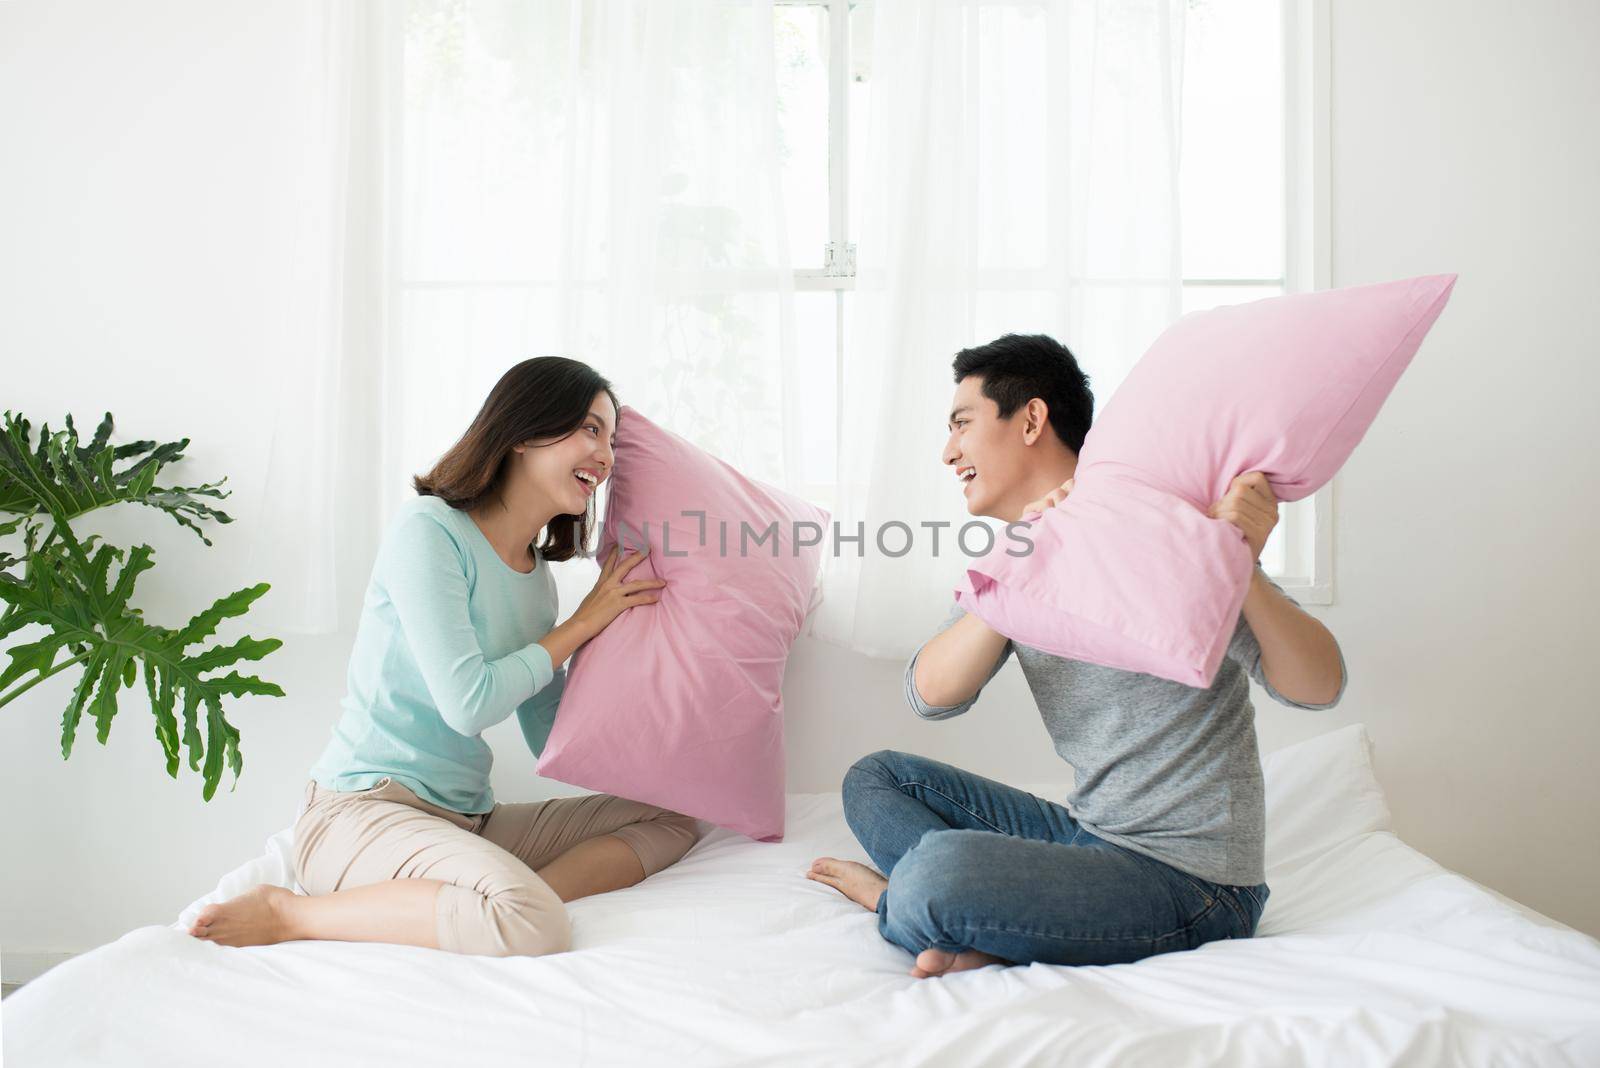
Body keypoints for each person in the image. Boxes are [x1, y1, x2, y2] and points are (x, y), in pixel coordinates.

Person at [808, 334, 1346, 979]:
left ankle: (907, 903)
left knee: (938, 871)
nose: (948, 452)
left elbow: (1318, 687)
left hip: (1192, 883)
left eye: (962, 424)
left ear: (1031, 419)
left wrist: (1242, 563)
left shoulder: (1159, 534)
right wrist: (1028, 559)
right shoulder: (1016, 558)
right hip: (1090, 839)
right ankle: (979, 913)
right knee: (878, 777)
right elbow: (931, 696)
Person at [189, 357, 700, 956]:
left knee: (673, 820)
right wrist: (584, 624)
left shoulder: (537, 584)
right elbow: (467, 703)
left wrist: (653, 694)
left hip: (467, 821)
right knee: (535, 924)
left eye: (611, 440)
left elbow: (549, 740)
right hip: (362, 814)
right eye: (591, 429)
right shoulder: (429, 532)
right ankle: (293, 914)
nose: (606, 456)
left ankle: (498, 894)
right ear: (525, 431)